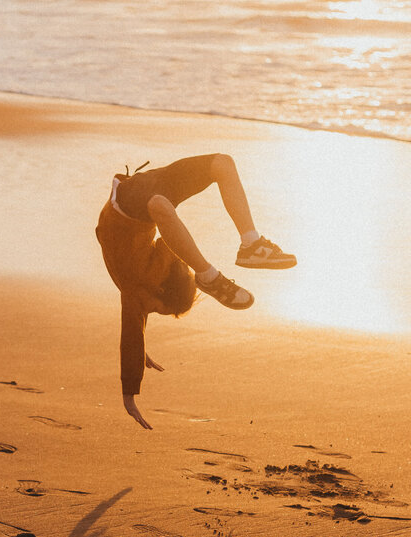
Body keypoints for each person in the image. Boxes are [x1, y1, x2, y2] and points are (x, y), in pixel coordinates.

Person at [95, 153, 296, 429]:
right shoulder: (138, 285)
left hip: (130, 203)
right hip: (145, 192)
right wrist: (135, 361)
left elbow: (132, 321)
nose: (150, 311)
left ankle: (228, 260)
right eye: (156, 309)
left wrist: (129, 393)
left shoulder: (134, 285)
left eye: (155, 310)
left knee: (188, 187)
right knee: (216, 168)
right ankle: (234, 256)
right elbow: (133, 323)